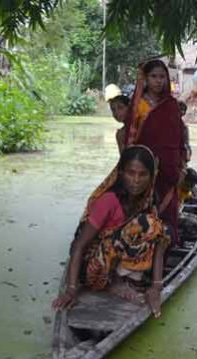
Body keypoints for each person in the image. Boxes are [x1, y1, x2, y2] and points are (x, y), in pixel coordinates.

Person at [52, 145, 170, 318]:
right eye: (131, 173)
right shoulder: (108, 201)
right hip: (93, 270)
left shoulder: (147, 202)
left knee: (158, 228)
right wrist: (70, 289)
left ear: (151, 177)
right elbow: (79, 246)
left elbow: (159, 241)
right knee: (148, 223)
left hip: (112, 265)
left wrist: (156, 287)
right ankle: (115, 282)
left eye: (142, 174)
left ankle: (124, 279)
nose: (136, 180)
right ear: (121, 173)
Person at [125, 59, 187, 244]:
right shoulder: (138, 105)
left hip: (168, 165)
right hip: (144, 164)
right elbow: (130, 134)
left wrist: (181, 160)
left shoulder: (171, 105)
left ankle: (165, 240)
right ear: (145, 79)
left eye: (162, 76)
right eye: (153, 76)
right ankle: (140, 241)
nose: (158, 81)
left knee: (167, 203)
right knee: (141, 202)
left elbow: (179, 136)